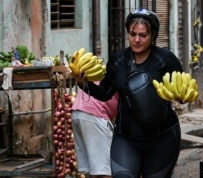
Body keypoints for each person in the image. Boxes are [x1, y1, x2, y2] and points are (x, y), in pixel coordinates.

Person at [73, 8, 184, 178]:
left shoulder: (166, 59)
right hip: (126, 139)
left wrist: (180, 97)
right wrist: (83, 83)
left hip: (162, 138)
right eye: (132, 34)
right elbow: (104, 93)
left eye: (143, 35)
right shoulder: (118, 60)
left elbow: (182, 88)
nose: (137, 40)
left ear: (152, 35)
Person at [71, 86, 119, 178]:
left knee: (92, 171)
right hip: (94, 114)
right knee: (104, 172)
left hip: (78, 113)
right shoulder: (122, 73)